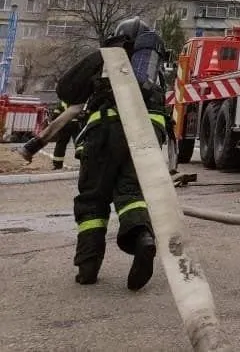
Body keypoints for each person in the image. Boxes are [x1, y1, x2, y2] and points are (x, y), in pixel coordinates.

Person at [55, 17, 169, 290]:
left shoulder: (107, 57)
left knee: (93, 199)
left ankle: (88, 266)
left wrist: (97, 60)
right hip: (148, 134)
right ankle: (142, 239)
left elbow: (66, 89)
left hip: (106, 131)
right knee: (131, 194)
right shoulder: (153, 68)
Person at [50, 100, 83, 170]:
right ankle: (83, 162)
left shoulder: (62, 103)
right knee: (79, 144)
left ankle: (57, 165)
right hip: (76, 125)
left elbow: (55, 116)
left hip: (64, 125)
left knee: (61, 144)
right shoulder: (78, 101)